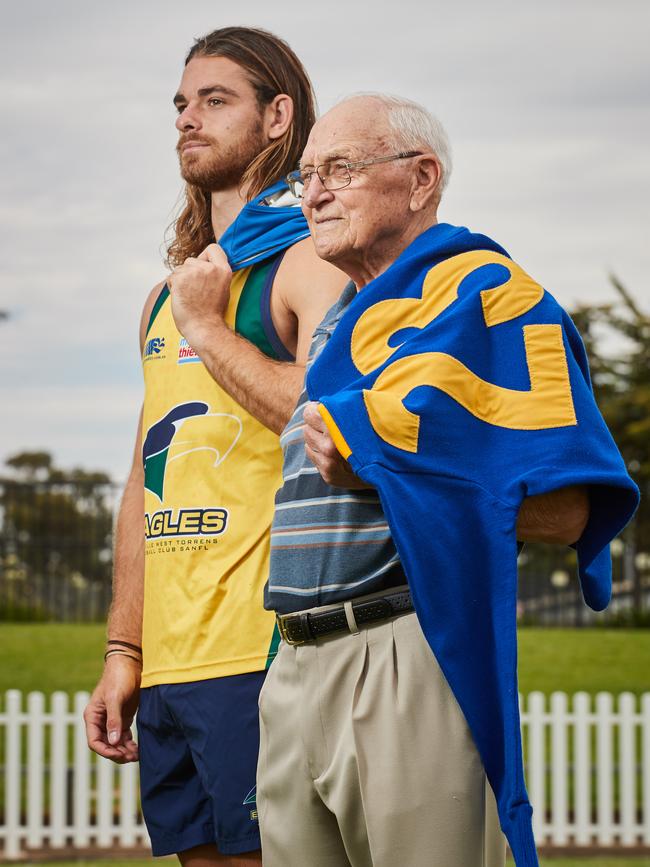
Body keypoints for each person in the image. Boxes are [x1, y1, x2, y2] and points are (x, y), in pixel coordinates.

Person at [255, 94, 639, 867]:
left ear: (422, 178)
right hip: (293, 661)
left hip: (405, 650)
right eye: (306, 177)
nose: (316, 193)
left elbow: (569, 508)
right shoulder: (336, 325)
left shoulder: (492, 298)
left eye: (340, 169)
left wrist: (385, 462)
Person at [83, 27, 346, 867]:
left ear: (279, 117)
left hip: (266, 650)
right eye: (182, 104)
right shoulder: (164, 300)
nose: (187, 120)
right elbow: (142, 482)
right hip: (170, 660)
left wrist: (209, 322)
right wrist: (126, 649)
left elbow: (331, 424)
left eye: (215, 100)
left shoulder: (310, 266)